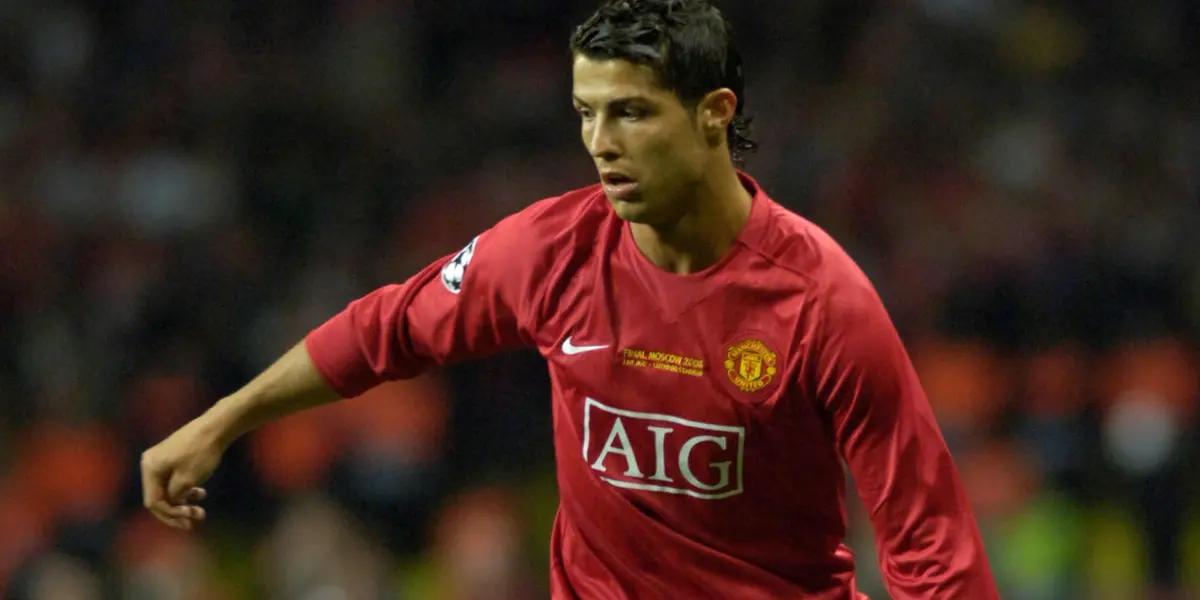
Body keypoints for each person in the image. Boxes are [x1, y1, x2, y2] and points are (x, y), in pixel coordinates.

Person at [140, 1, 999, 597]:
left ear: (714, 113)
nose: (600, 143)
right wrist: (221, 420)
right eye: (586, 113)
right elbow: (386, 330)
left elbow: (930, 546)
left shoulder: (821, 301)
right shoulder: (552, 251)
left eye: (630, 113)